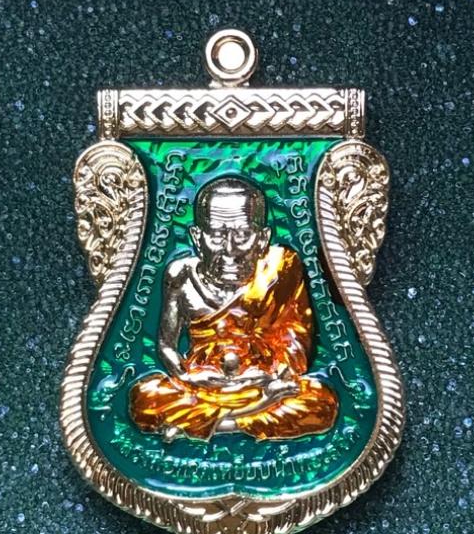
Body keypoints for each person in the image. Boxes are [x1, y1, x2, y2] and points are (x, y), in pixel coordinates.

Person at [130, 176, 338, 441]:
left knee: (321, 403)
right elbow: (166, 345)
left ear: (262, 239)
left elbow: (296, 338)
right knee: (145, 399)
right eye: (217, 235)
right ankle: (240, 419)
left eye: (242, 235)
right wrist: (188, 377)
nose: (230, 250)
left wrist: (272, 376)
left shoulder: (280, 269)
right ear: (197, 238)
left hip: (260, 382)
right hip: (203, 386)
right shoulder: (180, 275)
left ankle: (202, 425)